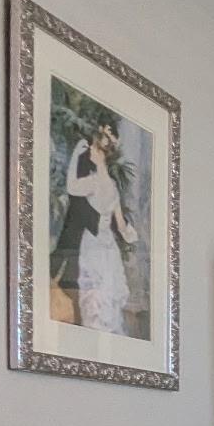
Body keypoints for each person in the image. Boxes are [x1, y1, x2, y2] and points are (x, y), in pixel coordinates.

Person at [58, 124, 134, 334]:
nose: (89, 150)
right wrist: (130, 236)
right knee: (106, 297)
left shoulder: (93, 182)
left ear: (100, 154)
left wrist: (75, 154)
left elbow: (71, 186)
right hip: (109, 247)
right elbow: (122, 226)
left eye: (92, 148)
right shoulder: (112, 186)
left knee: (94, 296)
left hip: (94, 243)